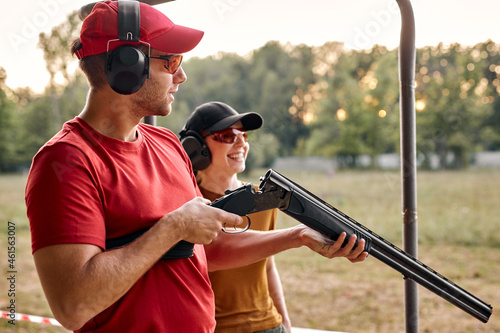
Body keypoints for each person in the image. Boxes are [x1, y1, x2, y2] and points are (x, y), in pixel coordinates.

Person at [25, 2, 368, 332]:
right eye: (172, 63)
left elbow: (208, 248)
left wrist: (298, 236)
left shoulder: (168, 146)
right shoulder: (65, 161)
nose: (182, 76)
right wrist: (173, 227)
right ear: (128, 66)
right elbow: (74, 306)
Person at [180, 101, 291, 333]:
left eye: (244, 135)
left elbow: (268, 266)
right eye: (228, 135)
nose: (241, 143)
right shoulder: (187, 206)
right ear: (195, 147)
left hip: (270, 326)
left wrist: (285, 323)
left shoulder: (263, 200)